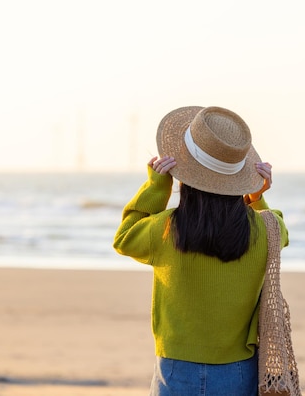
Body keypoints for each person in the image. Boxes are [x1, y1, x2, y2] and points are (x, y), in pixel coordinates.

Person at [113, 106, 288, 396]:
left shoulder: (165, 228)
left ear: (186, 175)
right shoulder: (267, 230)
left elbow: (125, 238)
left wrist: (157, 186)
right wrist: (257, 198)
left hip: (176, 366)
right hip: (239, 370)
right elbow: (279, 230)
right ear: (239, 177)